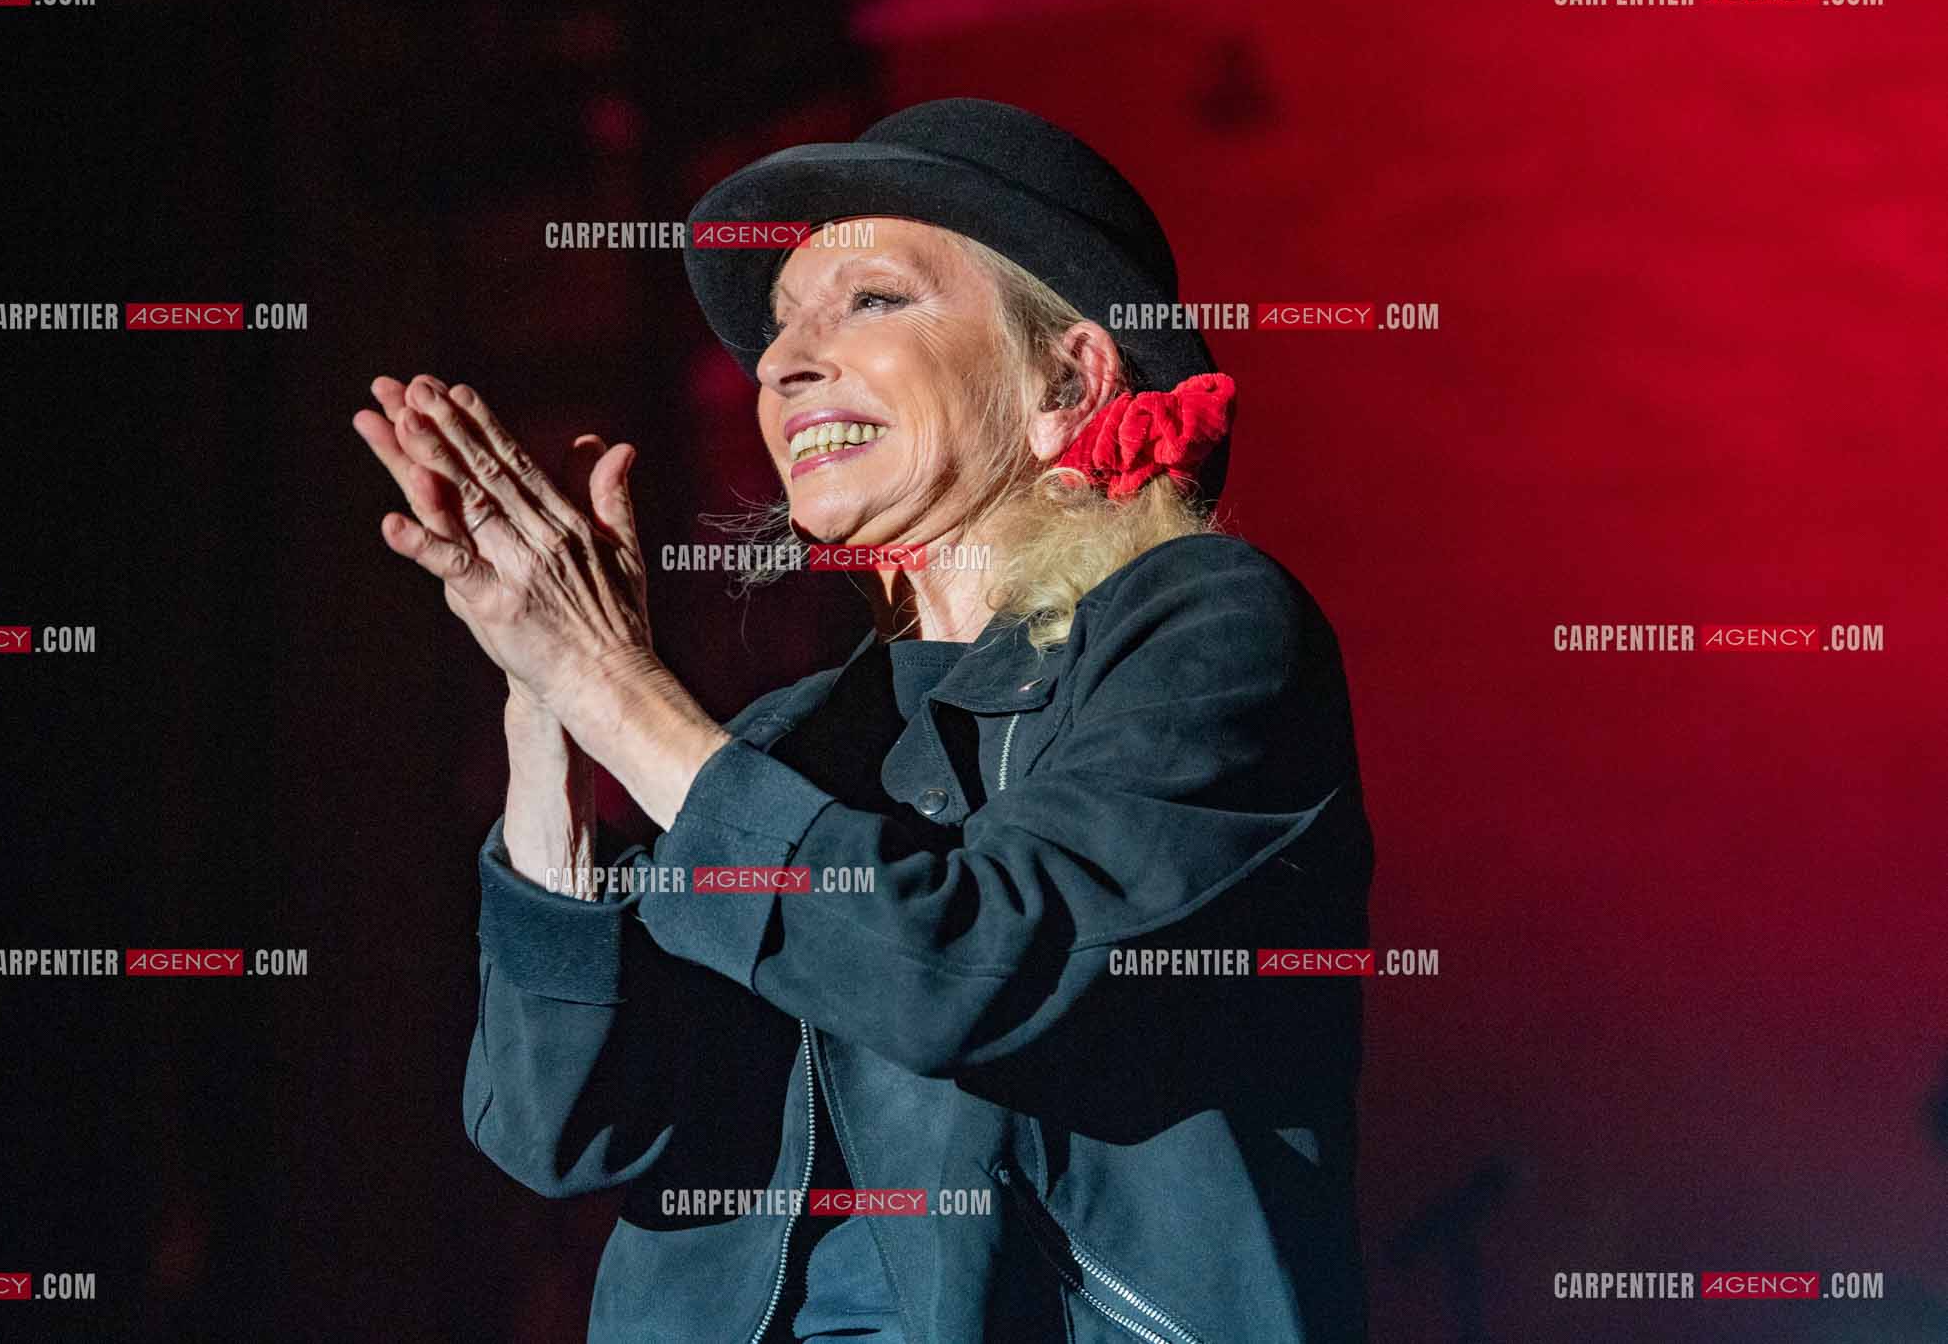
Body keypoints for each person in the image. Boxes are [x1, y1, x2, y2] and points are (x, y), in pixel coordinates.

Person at [352, 98, 1373, 1343]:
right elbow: (560, 1129)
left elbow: (967, 967)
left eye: (874, 301)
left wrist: (620, 693)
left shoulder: (1206, 632)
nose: (783, 365)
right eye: (779, 333)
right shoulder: (786, 744)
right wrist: (552, 727)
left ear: (1067, 377)